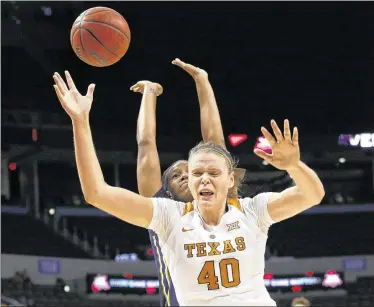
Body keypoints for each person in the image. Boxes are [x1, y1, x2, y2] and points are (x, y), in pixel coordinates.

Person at [52, 70, 325, 306]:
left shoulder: (251, 210)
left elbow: (312, 195)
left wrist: (294, 166)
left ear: (230, 179)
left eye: (213, 172)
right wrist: (80, 122)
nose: (201, 178)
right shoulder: (167, 214)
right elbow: (99, 190)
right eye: (193, 174)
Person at [130, 58, 245, 306]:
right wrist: (150, 93)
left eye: (190, 171)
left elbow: (215, 144)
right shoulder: (162, 213)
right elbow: (146, 145)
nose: (184, 175)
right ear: (166, 190)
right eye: (175, 175)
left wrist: (202, 81)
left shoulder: (223, 204)